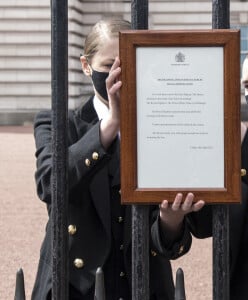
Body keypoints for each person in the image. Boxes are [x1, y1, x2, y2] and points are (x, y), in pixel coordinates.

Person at [31, 18, 204, 300]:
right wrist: (110, 125)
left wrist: (170, 220)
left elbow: (182, 233)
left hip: (142, 284)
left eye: (127, 63)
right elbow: (50, 185)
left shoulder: (167, 122)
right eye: (107, 65)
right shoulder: (57, 123)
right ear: (86, 66)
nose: (117, 75)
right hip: (74, 284)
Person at [155, 38, 248, 300]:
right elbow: (205, 222)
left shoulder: (241, 144)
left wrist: (238, 137)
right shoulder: (226, 149)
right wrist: (173, 220)